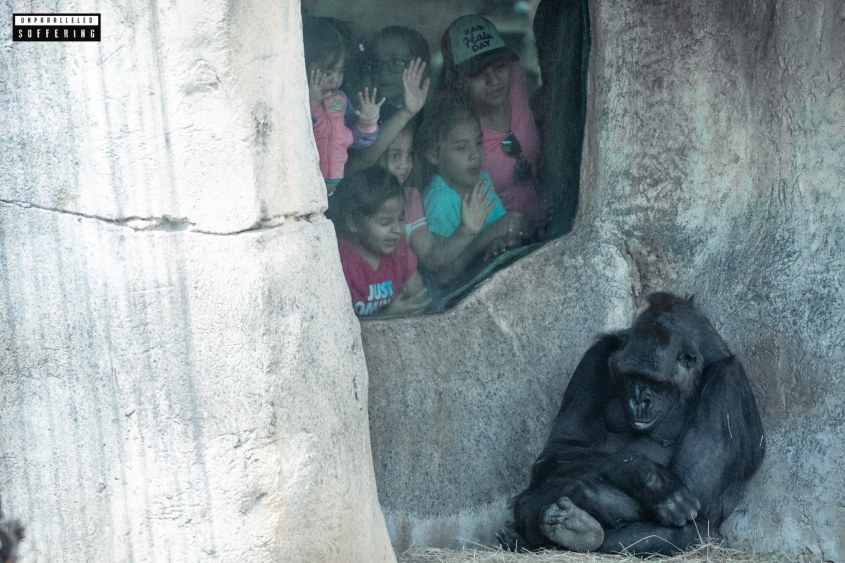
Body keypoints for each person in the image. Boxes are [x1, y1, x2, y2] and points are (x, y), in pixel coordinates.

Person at [438, 14, 544, 227]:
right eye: (478, 73)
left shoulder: (516, 79)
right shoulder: (456, 133)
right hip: (503, 242)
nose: (494, 80)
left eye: (499, 66)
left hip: (547, 222)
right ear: (457, 80)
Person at [417, 98, 524, 288]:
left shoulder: (482, 179)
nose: (475, 154)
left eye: (479, 142)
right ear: (433, 155)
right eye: (461, 147)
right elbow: (445, 275)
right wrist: (490, 235)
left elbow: (500, 229)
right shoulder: (439, 199)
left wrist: (506, 238)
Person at [377, 123, 495, 287]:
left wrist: (467, 229)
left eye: (409, 154)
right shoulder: (361, 200)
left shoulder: (410, 199)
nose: (405, 165)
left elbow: (431, 258)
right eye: (395, 155)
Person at [326, 166, 430, 317]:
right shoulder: (341, 262)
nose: (398, 230)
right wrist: (386, 316)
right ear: (353, 223)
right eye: (385, 222)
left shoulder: (399, 250)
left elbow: (420, 300)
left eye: (401, 219)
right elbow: (338, 324)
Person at [302, 16, 384, 191]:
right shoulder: (295, 101)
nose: (336, 79)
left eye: (340, 71)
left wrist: (367, 124)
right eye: (327, 72)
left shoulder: (338, 101)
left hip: (333, 185)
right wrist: (312, 102)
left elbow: (353, 139)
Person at [350, 26, 431, 170]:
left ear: (422, 70)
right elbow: (359, 161)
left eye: (396, 62)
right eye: (376, 63)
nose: (382, 71)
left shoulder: (431, 117)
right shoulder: (363, 114)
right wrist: (406, 113)